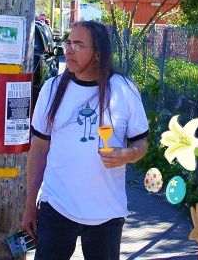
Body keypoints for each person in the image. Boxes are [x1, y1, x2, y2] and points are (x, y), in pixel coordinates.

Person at [21, 20, 149, 260]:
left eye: (78, 45)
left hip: (107, 213)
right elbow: (38, 149)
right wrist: (30, 205)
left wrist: (128, 154)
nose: (69, 50)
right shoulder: (51, 88)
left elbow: (141, 143)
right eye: (68, 43)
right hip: (57, 207)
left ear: (99, 53)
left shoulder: (124, 90)